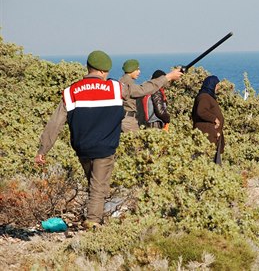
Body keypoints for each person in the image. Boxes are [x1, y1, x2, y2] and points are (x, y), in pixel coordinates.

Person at [34, 51, 182, 229]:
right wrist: (168, 77)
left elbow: (54, 124)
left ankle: (93, 215)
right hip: (104, 146)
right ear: (104, 71)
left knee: (94, 182)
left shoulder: (70, 92)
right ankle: (93, 222)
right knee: (98, 186)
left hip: (82, 148)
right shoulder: (116, 88)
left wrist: (42, 150)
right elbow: (145, 89)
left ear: (89, 68)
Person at [120, 59, 173, 132]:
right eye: (137, 69)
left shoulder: (121, 81)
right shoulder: (128, 84)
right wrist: (166, 78)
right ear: (131, 69)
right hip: (129, 121)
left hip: (123, 118)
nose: (139, 72)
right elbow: (143, 90)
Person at [192, 75, 225, 164]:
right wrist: (214, 119)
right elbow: (201, 111)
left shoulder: (208, 97)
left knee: (213, 161)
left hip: (212, 135)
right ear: (211, 85)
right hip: (206, 135)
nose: (218, 87)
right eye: (216, 85)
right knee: (205, 160)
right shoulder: (204, 97)